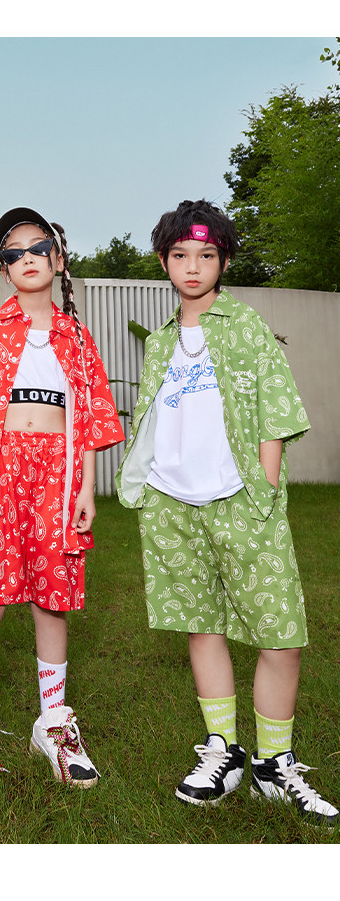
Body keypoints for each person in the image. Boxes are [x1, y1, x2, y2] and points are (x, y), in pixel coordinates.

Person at [116, 199, 337, 826]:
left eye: (206, 255)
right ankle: (224, 749)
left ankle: (274, 762)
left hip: (241, 500)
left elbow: (276, 409)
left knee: (280, 633)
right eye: (180, 255)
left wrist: (264, 487)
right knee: (201, 625)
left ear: (225, 260)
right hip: (172, 505)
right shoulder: (162, 342)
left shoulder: (246, 327)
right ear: (164, 262)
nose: (193, 266)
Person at [0, 207, 125, 792]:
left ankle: (54, 723)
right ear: (2, 267)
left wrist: (86, 487)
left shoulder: (77, 338)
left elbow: (89, 420)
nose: (27, 259)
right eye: (13, 252)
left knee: (52, 600)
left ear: (58, 259)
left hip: (57, 479)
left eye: (38, 247)